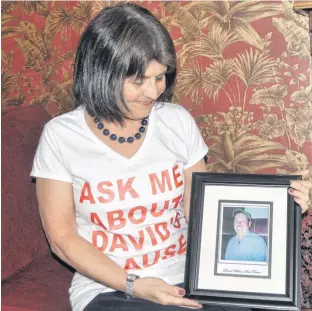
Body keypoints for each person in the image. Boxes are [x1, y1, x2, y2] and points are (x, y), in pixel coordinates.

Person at [30, 3, 312, 311]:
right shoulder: (60, 136)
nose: (153, 92)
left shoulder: (177, 121)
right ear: (102, 72)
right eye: (138, 80)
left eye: (160, 77)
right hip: (110, 286)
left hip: (192, 276)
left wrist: (281, 207)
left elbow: (202, 211)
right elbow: (63, 239)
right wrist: (134, 284)